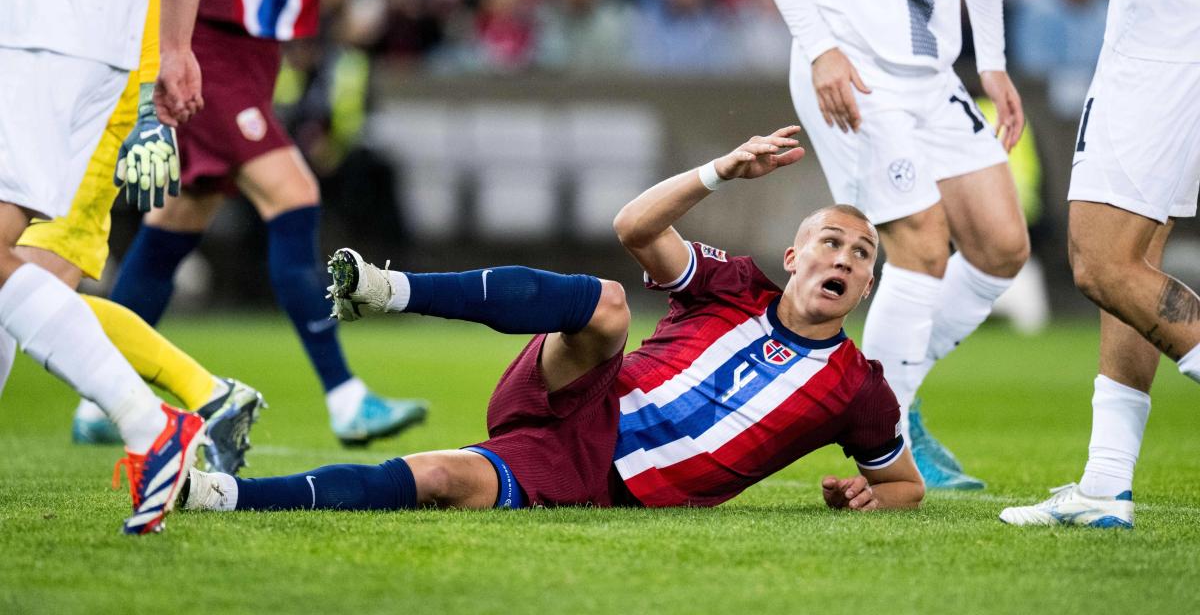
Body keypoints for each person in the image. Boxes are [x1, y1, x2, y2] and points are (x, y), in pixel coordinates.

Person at [178, 127, 925, 515]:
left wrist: (869, 495)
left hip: (591, 474)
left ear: (862, 290)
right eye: (833, 242)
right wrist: (718, 172)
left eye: (863, 257)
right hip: (579, 393)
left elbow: (904, 484)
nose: (848, 259)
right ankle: (388, 290)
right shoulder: (735, 287)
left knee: (438, 476)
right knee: (606, 303)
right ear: (795, 257)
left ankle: (228, 495)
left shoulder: (859, 388)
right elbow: (634, 226)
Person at [105, 0, 426, 446]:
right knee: (293, 193)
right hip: (208, 39)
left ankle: (102, 394)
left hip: (249, 44)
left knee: (181, 216)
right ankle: (345, 396)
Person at [764, 0, 1029, 489]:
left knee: (1002, 246)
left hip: (933, 74)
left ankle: (885, 387)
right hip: (854, 62)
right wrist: (819, 49)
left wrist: (992, 61)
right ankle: (891, 436)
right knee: (921, 247)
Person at [6, 0, 262, 475]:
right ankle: (203, 398)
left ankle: (199, 399)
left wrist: (151, 103)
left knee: (28, 275)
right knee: (18, 281)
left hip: (89, 82)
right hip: (41, 70)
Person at [0, 0, 207, 534]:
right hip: (54, 31)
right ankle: (155, 421)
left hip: (52, 33)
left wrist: (173, 49)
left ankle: (150, 423)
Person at [1000, 0, 1200, 529]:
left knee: (1103, 262)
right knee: (1136, 261)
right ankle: (1106, 485)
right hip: (1179, 33)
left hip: (1160, 40)